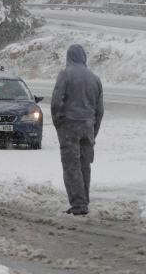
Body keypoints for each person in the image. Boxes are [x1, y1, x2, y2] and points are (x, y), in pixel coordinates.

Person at [51, 44, 104, 216]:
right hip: (88, 126)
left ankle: (79, 204)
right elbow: (100, 110)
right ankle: (84, 200)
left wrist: (58, 122)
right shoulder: (94, 79)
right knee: (84, 166)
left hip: (70, 127)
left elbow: (56, 101)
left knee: (71, 166)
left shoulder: (65, 75)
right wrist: (93, 130)